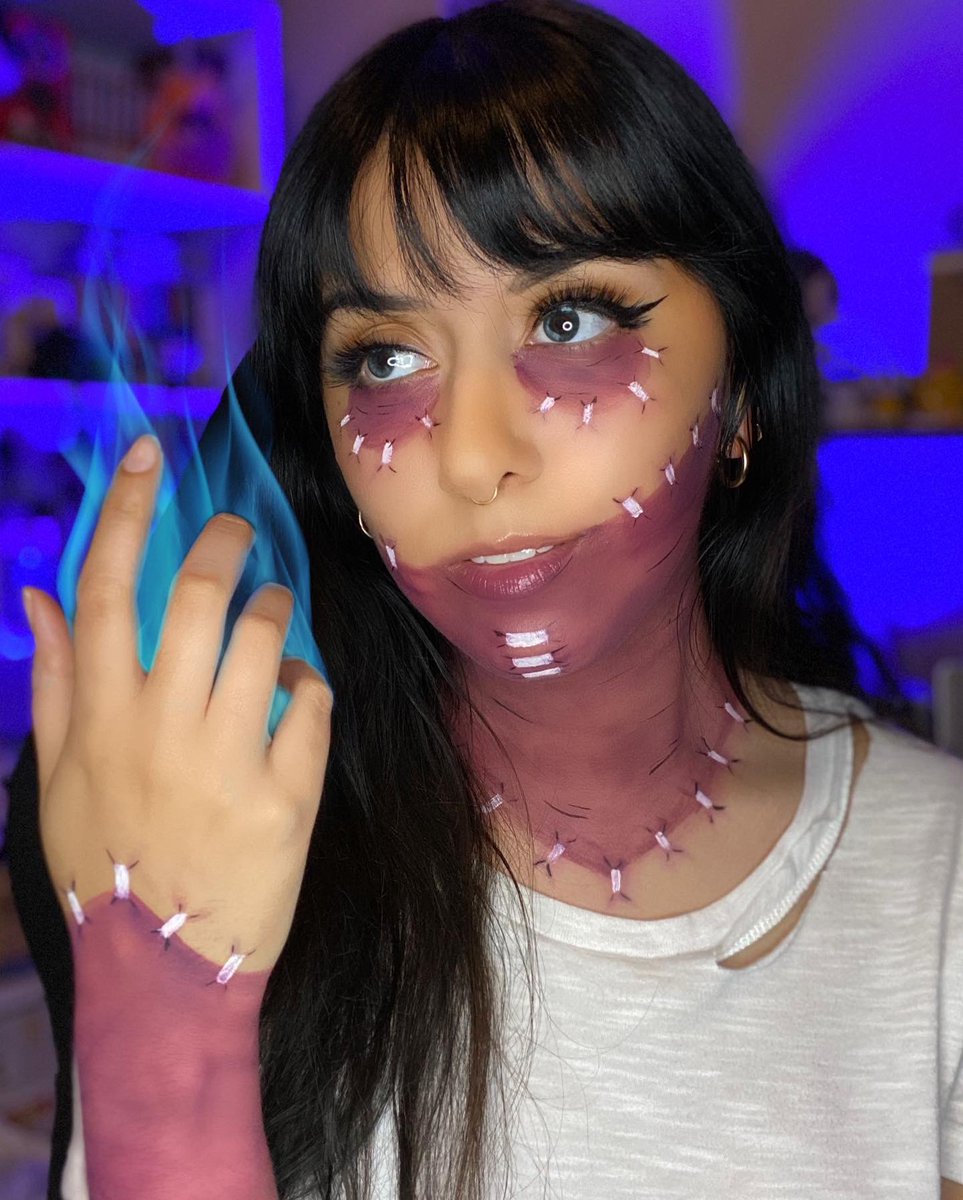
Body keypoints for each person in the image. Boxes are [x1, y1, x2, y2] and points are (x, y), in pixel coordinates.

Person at [7, 2, 963, 1197]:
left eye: (569, 319)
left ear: (743, 398)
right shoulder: (231, 856)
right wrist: (166, 1021)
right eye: (385, 360)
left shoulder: (938, 879)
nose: (470, 455)